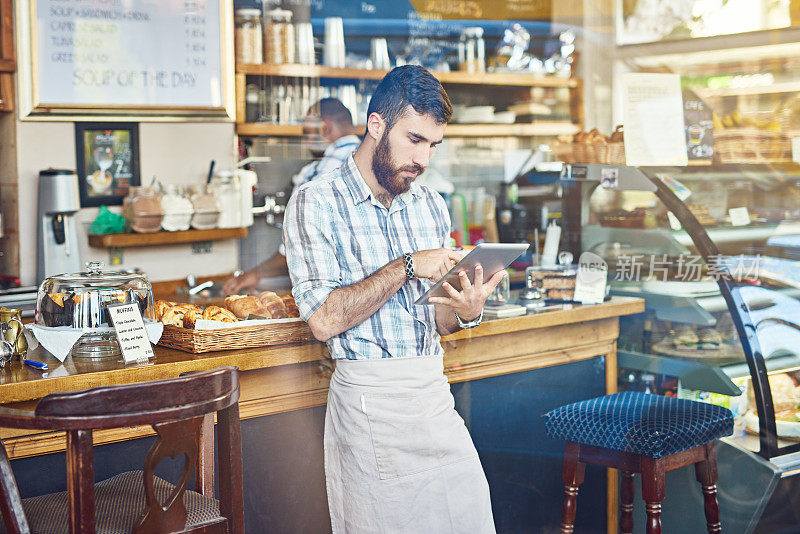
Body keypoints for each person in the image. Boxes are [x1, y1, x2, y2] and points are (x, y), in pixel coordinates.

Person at [283, 65, 503, 533]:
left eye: (433, 146)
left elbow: (440, 322)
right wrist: (405, 266)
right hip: (369, 406)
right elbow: (322, 320)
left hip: (433, 397)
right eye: (414, 140)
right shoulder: (315, 202)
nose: (423, 159)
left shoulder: (430, 205)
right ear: (376, 125)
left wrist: (466, 310)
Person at [222, 98, 361, 295]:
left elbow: (299, 248)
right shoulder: (374, 163)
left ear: (324, 128)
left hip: (336, 299)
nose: (305, 141)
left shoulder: (318, 174)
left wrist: (254, 274)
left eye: (306, 133)